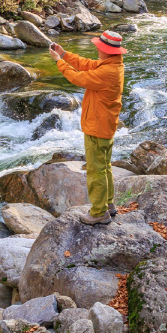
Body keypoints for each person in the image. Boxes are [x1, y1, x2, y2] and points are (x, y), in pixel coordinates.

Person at [49, 30, 127, 225]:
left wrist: (59, 62)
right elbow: (87, 64)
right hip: (106, 125)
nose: (96, 49)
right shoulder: (113, 65)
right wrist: (65, 54)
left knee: (96, 170)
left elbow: (78, 78)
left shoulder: (107, 72)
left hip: (96, 127)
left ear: (106, 50)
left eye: (99, 47)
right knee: (105, 166)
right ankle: (108, 204)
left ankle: (99, 212)